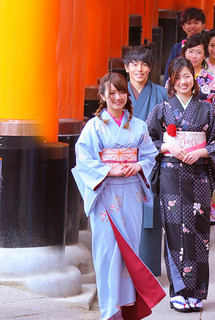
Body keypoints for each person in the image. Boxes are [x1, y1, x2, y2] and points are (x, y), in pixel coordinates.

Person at [72, 73, 164, 320]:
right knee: (105, 250)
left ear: (127, 94)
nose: (117, 97)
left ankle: (126, 307)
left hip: (132, 190)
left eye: (121, 92)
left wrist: (139, 166)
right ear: (102, 96)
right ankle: (108, 310)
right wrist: (109, 169)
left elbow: (149, 156)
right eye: (111, 93)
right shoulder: (94, 126)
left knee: (129, 250)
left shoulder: (139, 125)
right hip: (105, 191)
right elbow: (84, 158)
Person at [147, 57, 215, 313]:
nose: (183, 82)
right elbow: (147, 141)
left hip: (199, 176)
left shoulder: (207, 109)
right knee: (173, 231)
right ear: (171, 80)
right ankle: (178, 291)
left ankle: (197, 292)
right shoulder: (161, 109)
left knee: (198, 232)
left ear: (194, 79)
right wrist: (166, 146)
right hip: (172, 174)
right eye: (178, 77)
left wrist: (203, 151)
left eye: (187, 76)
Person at [123, 46, 168, 276]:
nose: (139, 69)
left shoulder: (161, 93)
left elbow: (170, 128)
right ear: (126, 67)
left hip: (153, 161)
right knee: (125, 213)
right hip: (124, 164)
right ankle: (126, 268)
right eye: (134, 64)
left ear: (150, 67)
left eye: (144, 64)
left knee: (151, 214)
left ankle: (148, 270)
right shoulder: (119, 92)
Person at [167, 33, 215, 118]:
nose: (194, 56)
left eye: (199, 52)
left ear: (204, 55)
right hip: (176, 126)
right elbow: (166, 102)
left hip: (205, 126)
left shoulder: (213, 80)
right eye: (191, 51)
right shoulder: (173, 79)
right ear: (185, 53)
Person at [163, 7, 206, 85]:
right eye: (189, 23)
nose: (192, 26)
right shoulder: (177, 48)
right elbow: (168, 72)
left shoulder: (207, 47)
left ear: (203, 25)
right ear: (183, 27)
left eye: (196, 22)